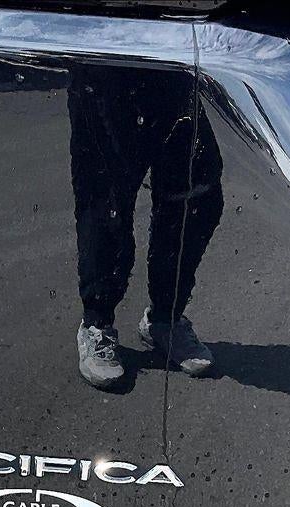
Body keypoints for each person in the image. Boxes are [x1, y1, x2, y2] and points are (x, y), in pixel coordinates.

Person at [68, 63, 223, 388]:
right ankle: (97, 323)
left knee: (197, 190)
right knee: (106, 198)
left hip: (172, 63)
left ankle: (165, 318)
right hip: (107, 62)